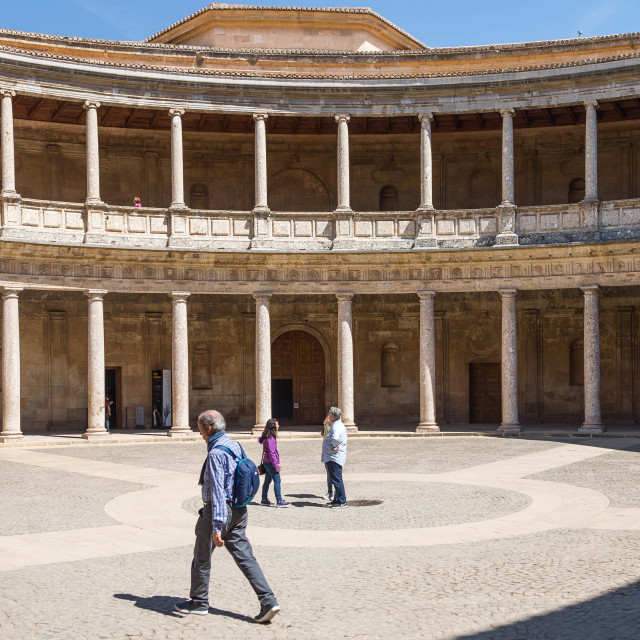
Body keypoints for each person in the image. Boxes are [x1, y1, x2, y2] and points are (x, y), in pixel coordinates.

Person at [175, 409, 280, 623]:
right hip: (240, 510)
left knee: (202, 558)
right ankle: (268, 600)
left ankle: (199, 602)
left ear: (208, 428)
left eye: (199, 429)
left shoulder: (215, 453)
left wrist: (216, 526)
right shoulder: (235, 445)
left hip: (219, 510)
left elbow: (218, 491)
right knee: (246, 558)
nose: (200, 433)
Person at [258, 418, 289, 508]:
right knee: (277, 480)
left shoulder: (268, 437)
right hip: (270, 463)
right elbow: (272, 454)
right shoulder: (270, 439)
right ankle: (279, 500)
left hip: (266, 462)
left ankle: (264, 499)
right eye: (277, 424)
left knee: (267, 481)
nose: (278, 426)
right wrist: (276, 466)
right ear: (273, 426)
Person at [321, 406, 348, 508]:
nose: (328, 414)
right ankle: (336, 500)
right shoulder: (336, 424)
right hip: (332, 457)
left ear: (332, 416)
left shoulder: (336, 427)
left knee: (337, 480)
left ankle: (342, 501)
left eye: (329, 413)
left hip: (334, 457)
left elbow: (335, 438)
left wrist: (334, 446)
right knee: (335, 479)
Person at [320, 417, 333, 501]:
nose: (328, 417)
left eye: (330, 416)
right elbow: (322, 433)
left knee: (333, 474)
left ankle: (333, 493)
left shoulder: (334, 427)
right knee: (329, 473)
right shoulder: (326, 425)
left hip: (332, 453)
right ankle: (330, 492)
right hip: (326, 452)